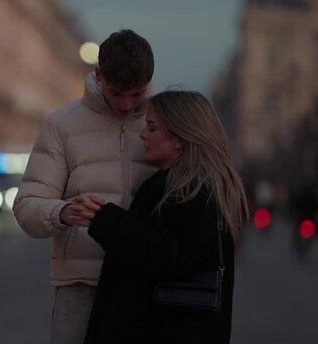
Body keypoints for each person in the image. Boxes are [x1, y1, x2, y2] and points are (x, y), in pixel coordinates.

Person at [13, 29, 157, 344]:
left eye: (136, 94)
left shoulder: (162, 123)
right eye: (117, 93)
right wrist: (62, 212)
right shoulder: (62, 124)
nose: (126, 104)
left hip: (144, 281)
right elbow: (27, 205)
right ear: (98, 75)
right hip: (81, 284)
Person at [83, 91, 249, 343]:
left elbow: (165, 257)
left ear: (179, 139)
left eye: (152, 128)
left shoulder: (193, 192)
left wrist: (104, 218)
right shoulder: (185, 186)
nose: (143, 135)